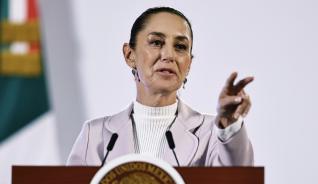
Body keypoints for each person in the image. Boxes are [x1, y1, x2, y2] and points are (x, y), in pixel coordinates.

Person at [67, 7, 254, 166]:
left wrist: (229, 125)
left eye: (180, 47)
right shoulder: (95, 135)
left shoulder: (212, 133)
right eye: (156, 42)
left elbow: (238, 177)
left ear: (188, 64)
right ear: (129, 54)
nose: (169, 55)